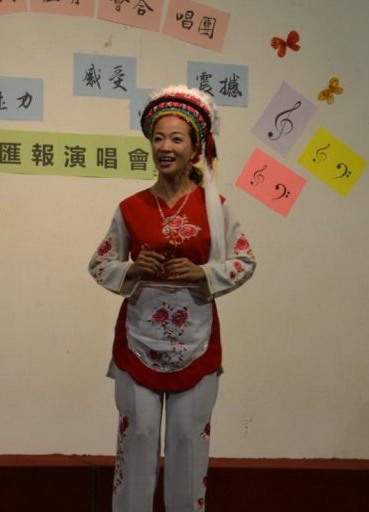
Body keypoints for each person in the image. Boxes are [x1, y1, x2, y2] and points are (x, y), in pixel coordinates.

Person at [88, 84, 256, 512]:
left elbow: (244, 260)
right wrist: (131, 270)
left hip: (196, 339)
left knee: (187, 441)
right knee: (138, 437)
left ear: (196, 149)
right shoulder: (130, 207)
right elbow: (100, 264)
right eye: (158, 138)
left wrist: (204, 273)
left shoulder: (217, 207)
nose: (165, 147)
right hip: (138, 339)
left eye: (176, 139)